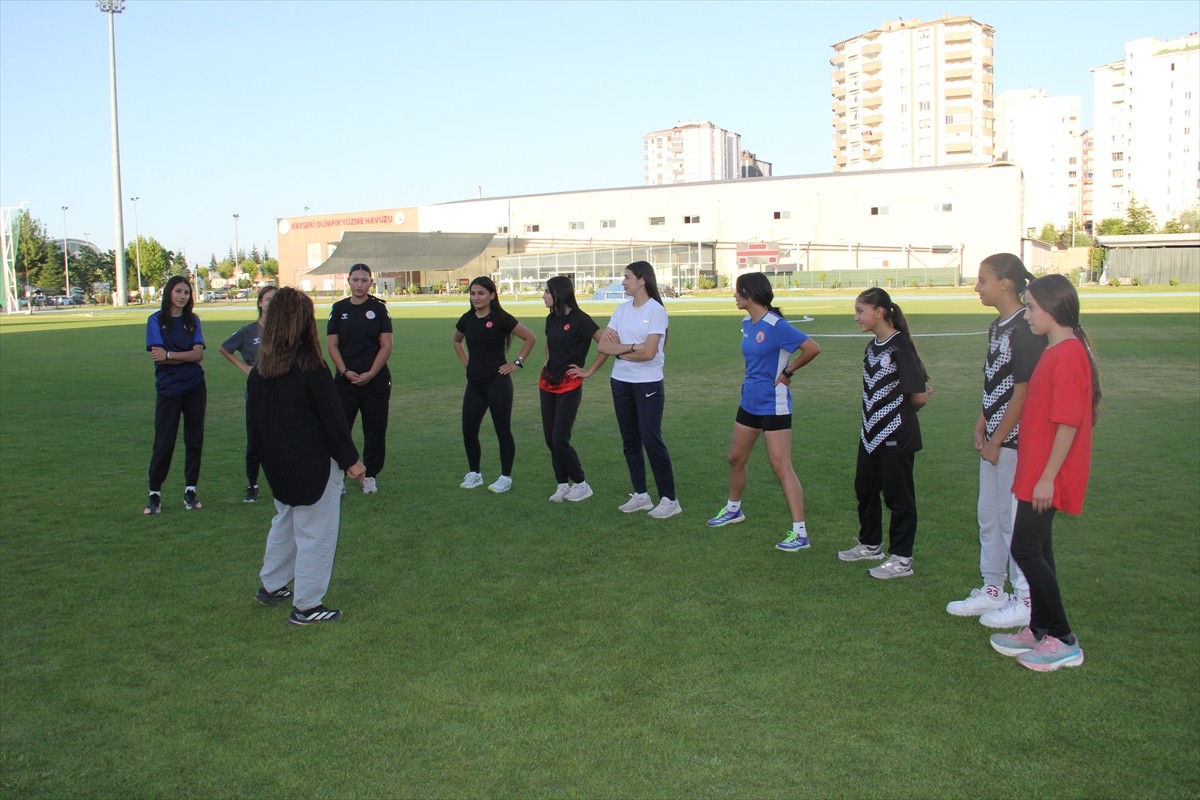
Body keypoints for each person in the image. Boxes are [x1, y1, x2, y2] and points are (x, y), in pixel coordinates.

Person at [989, 274, 1099, 671]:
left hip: (1048, 474)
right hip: (1037, 470)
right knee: (1040, 550)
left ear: (1052, 310)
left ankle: (1063, 638)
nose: (1028, 314)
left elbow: (1068, 423)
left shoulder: (1068, 354)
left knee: (1026, 550)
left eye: (1032, 307)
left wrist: (1048, 477)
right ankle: (1038, 629)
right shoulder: (1053, 350)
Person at [249, 287, 365, 626]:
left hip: (278, 465)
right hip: (314, 466)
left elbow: (254, 426)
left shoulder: (259, 373)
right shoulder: (311, 370)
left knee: (284, 522)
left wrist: (256, 467)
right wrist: (352, 462)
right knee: (317, 533)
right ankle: (307, 606)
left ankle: (271, 585)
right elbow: (334, 423)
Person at [947, 254, 1046, 627]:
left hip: (1015, 442)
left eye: (983, 280)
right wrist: (982, 421)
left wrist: (998, 438)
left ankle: (1026, 597)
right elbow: (995, 383)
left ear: (1006, 283)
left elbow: (1022, 392)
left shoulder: (1026, 327)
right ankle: (993, 590)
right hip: (996, 437)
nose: (977, 287)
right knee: (988, 515)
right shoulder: (997, 326)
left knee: (1011, 518)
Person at [706, 273, 822, 551]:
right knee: (735, 458)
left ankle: (800, 532)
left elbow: (812, 348)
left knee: (781, 466)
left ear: (750, 293)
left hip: (774, 404)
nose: (734, 296)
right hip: (750, 401)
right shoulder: (748, 323)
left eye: (737, 291)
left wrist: (788, 371)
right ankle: (734, 509)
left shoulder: (776, 325)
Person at [838, 287, 930, 578]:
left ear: (879, 312)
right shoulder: (871, 347)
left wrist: (894, 418)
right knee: (864, 488)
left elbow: (918, 395)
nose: (857, 317)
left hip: (897, 435)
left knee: (898, 497)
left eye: (860, 311)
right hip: (870, 434)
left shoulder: (900, 346)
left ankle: (901, 559)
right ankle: (870, 543)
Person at [597, 261, 681, 519]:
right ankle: (641, 495)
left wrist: (622, 350)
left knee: (651, 440)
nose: (623, 282)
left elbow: (650, 352)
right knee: (630, 440)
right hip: (620, 381)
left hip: (647, 383)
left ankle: (669, 499)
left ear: (642, 279)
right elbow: (603, 346)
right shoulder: (621, 310)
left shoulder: (656, 311)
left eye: (627, 277)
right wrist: (632, 348)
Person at [453, 276, 537, 493]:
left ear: (492, 295)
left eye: (481, 293)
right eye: (473, 293)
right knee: (468, 430)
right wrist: (466, 363)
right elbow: (456, 340)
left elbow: (530, 338)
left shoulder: (501, 318)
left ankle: (505, 477)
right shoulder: (467, 318)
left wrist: (517, 363)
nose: (476, 298)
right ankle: (475, 474)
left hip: (497, 382)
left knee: (502, 430)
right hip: (475, 383)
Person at [539, 276, 609, 503]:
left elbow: (605, 345)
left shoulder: (580, 320)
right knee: (550, 439)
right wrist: (547, 361)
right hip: (547, 383)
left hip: (569, 385)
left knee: (560, 439)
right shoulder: (551, 319)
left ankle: (580, 483)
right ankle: (562, 484)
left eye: (547, 292)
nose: (543, 295)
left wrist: (588, 370)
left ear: (559, 293)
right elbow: (549, 343)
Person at [327, 263, 393, 494]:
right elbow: (332, 345)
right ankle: (340, 477)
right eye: (356, 280)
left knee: (375, 429)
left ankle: (371, 476)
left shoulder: (379, 309)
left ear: (371, 282)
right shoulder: (338, 309)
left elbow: (386, 345)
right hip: (345, 380)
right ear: (348, 280)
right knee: (339, 428)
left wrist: (372, 373)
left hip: (375, 380)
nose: (360, 284)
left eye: (364, 280)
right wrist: (345, 371)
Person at [144, 275, 207, 514]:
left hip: (194, 386)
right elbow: (157, 354)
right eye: (179, 291)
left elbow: (198, 355)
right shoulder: (155, 320)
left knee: (194, 439)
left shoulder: (193, 321)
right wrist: (183, 355)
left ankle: (190, 490)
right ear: (169, 292)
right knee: (164, 441)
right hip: (169, 389)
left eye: (187, 293)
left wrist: (170, 356)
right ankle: (154, 493)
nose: (182, 296)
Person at [219, 285, 277, 503]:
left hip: (281, 392)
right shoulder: (248, 331)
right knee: (255, 440)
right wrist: (244, 368)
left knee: (280, 438)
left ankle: (280, 482)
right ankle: (252, 485)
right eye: (269, 299)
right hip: (257, 392)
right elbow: (224, 348)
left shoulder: (284, 329)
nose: (272, 303)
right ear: (260, 302)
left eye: (277, 299)